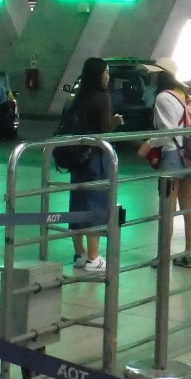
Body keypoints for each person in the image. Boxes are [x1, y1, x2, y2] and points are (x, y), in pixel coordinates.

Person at [138, 57, 191, 268]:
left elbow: (167, 131)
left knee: (167, 209)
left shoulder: (164, 97)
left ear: (160, 75)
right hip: (190, 155)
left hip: (173, 156)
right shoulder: (184, 95)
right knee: (188, 206)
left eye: (154, 73)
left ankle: (162, 256)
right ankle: (188, 254)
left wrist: (148, 144)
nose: (151, 76)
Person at [67, 57, 123, 273]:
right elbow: (104, 131)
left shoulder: (78, 97)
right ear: (99, 75)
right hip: (96, 158)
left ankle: (79, 254)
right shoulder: (102, 97)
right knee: (96, 203)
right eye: (106, 72)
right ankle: (93, 257)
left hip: (77, 157)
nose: (108, 76)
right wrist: (116, 122)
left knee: (78, 202)